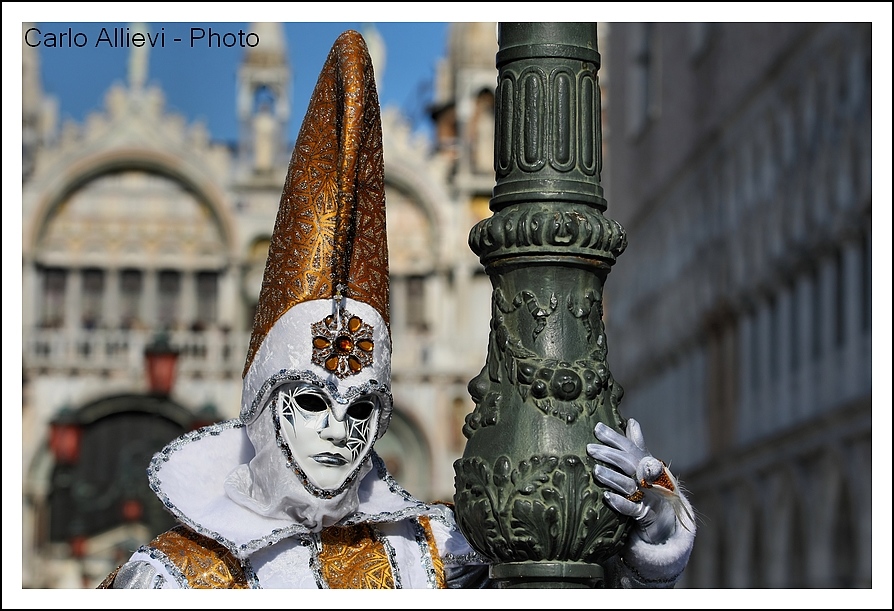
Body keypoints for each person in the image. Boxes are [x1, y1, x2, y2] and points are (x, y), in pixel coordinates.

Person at [99, 29, 695, 590]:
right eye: (312, 401)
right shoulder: (178, 576)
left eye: (362, 407)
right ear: (264, 403)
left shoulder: (424, 550)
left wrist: (651, 519)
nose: (339, 431)